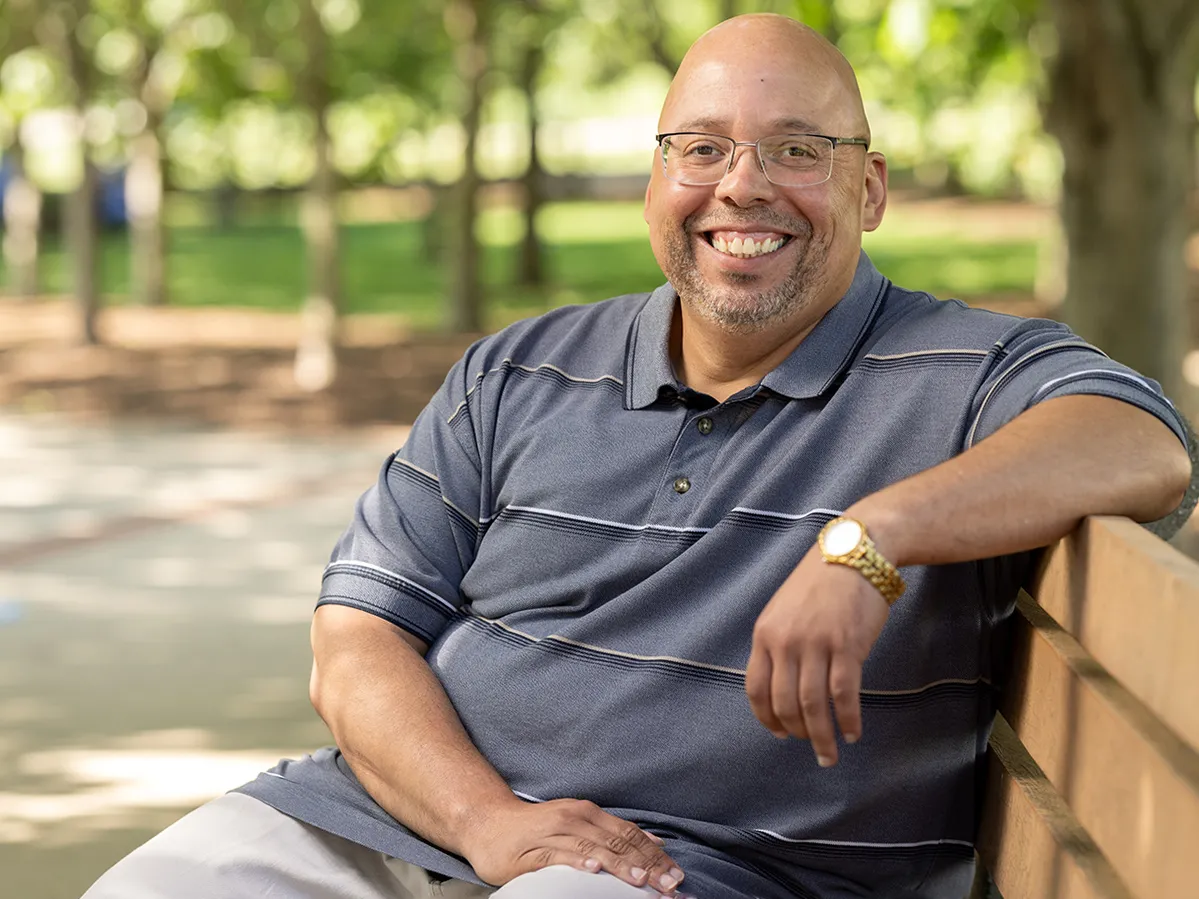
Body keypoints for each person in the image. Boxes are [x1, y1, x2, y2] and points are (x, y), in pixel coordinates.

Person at [83, 13, 1191, 899]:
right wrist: (488, 824)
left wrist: (869, 537)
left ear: (870, 188)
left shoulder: (963, 370)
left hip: (686, 872)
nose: (740, 185)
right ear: (657, 177)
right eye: (699, 147)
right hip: (390, 825)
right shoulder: (517, 370)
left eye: (794, 150)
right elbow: (356, 633)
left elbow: (1138, 438)